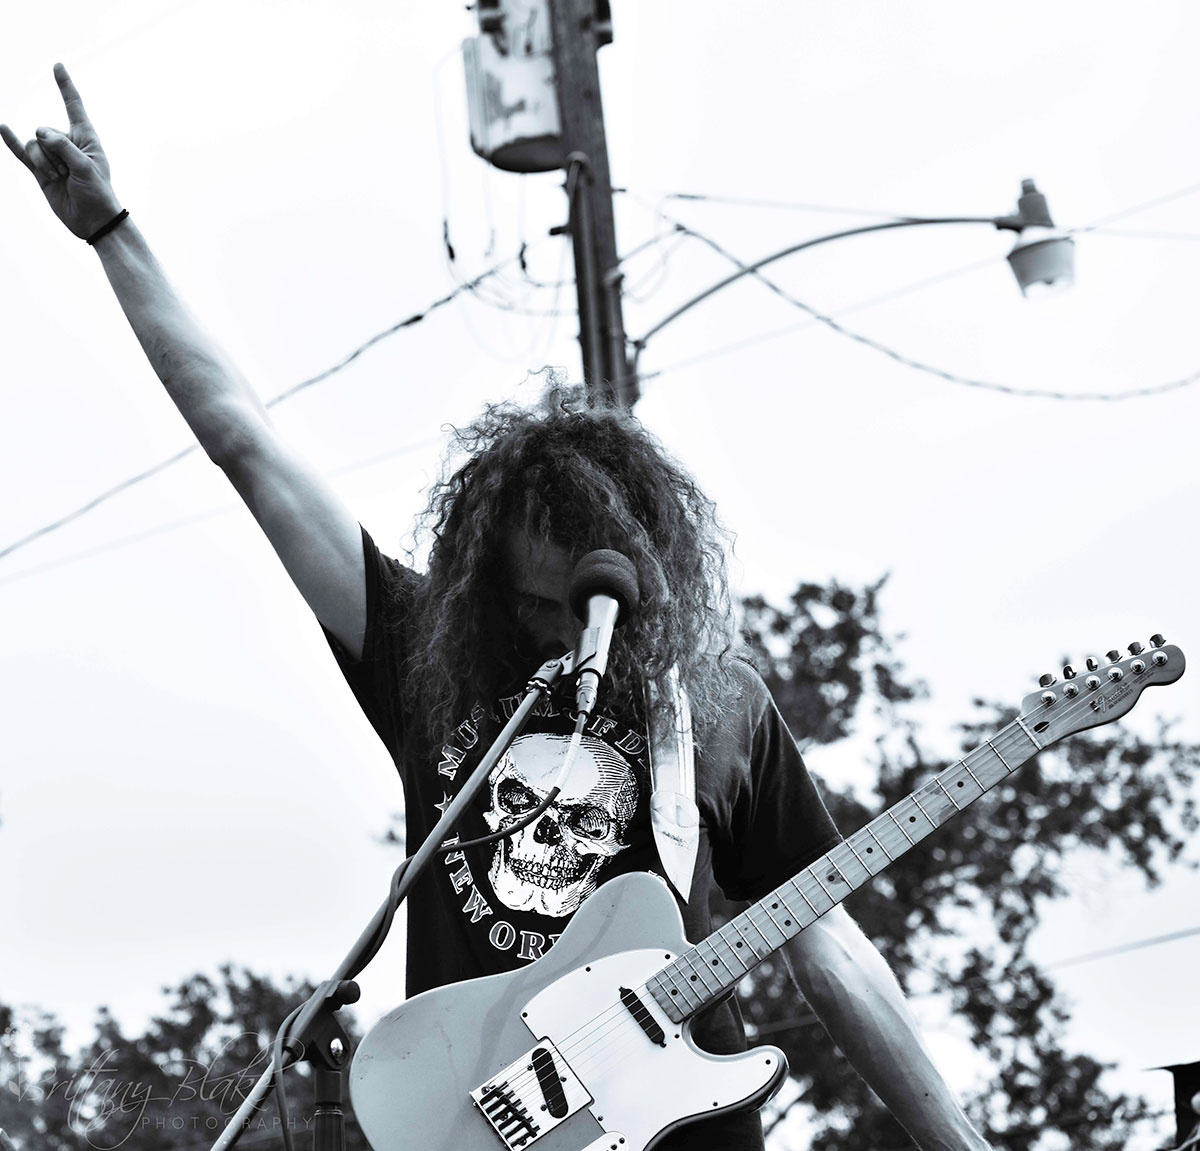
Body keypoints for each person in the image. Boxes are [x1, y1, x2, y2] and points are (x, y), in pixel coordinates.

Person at [2, 65, 992, 1151]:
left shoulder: (719, 707)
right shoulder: (427, 654)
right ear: (486, 587)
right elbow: (249, 446)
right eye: (538, 605)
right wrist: (112, 233)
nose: (573, 635)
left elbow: (832, 948)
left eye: (594, 600)